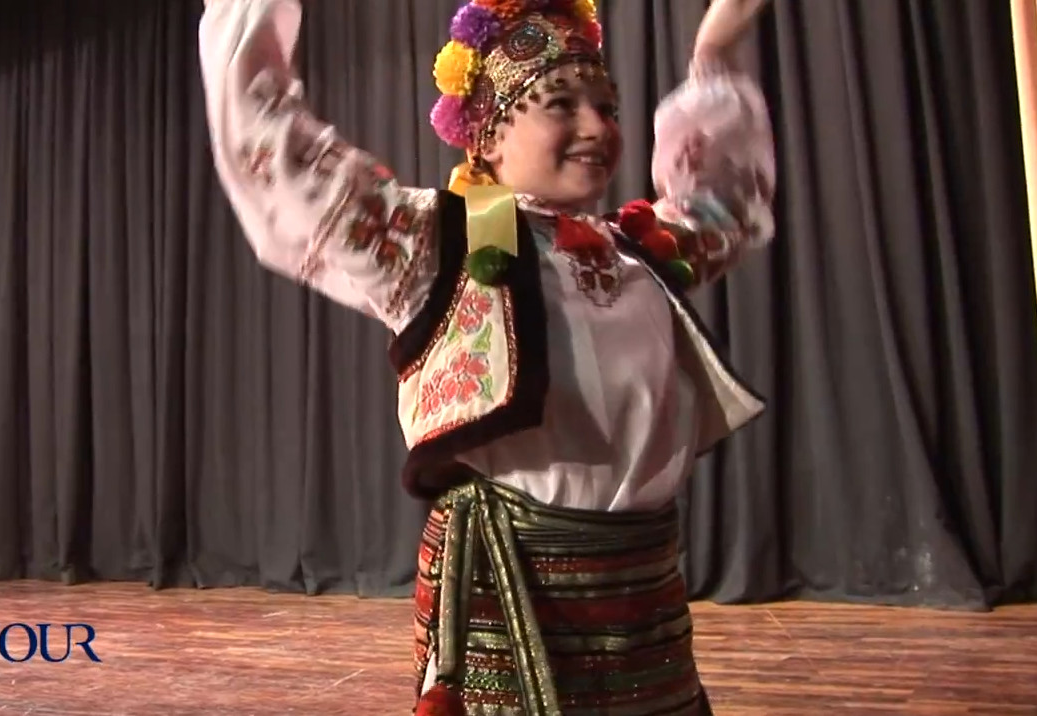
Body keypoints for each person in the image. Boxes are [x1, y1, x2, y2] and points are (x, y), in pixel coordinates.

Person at [197, 0, 774, 713]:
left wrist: (715, 49)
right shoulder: (434, 246)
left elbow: (727, 203)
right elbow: (278, 160)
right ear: (488, 136)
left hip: (643, 600)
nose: (597, 127)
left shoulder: (637, 252)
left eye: (606, 107)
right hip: (511, 598)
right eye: (560, 105)